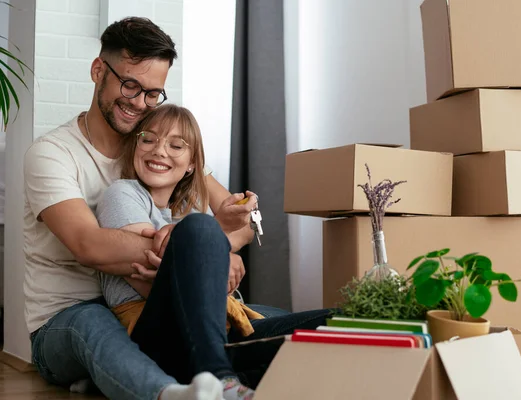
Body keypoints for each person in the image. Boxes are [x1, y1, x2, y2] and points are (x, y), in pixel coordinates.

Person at [23, 17, 333, 400]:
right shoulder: (53, 154)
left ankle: (196, 376)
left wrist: (217, 246)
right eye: (130, 84)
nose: (139, 103)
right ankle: (180, 390)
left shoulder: (157, 150)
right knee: (94, 321)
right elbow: (89, 245)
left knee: (284, 318)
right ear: (98, 70)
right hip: (68, 316)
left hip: (159, 310)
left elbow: (242, 218)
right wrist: (201, 251)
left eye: (153, 94)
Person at [96, 103, 267, 399]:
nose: (159, 151)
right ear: (135, 147)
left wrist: (210, 254)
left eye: (176, 145)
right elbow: (151, 283)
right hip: (158, 337)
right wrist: (214, 252)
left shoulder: (181, 217)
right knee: (201, 227)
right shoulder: (121, 194)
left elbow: (187, 274)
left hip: (212, 333)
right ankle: (221, 380)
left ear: (192, 165)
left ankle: (234, 378)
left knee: (330, 324)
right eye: (148, 139)